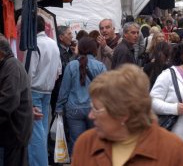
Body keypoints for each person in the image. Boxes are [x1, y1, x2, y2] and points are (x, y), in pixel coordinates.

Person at [71, 64, 183, 165]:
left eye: (96, 109)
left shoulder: (173, 150)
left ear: (123, 114)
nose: (91, 116)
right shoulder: (86, 144)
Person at [55, 37, 107, 154]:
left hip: (74, 109)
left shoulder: (71, 65)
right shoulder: (100, 66)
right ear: (94, 49)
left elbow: (64, 90)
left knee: (77, 143)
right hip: (94, 109)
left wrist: (59, 108)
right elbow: (105, 90)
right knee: (95, 142)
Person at [27, 16, 62, 166]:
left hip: (35, 90)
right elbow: (58, 70)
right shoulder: (53, 44)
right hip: (47, 91)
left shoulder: (35, 45)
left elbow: (29, 72)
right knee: (41, 131)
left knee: (36, 133)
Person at [0, 36, 33, 166]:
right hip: (11, 133)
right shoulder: (7, 65)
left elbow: (8, 101)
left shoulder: (11, 66)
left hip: (14, 134)